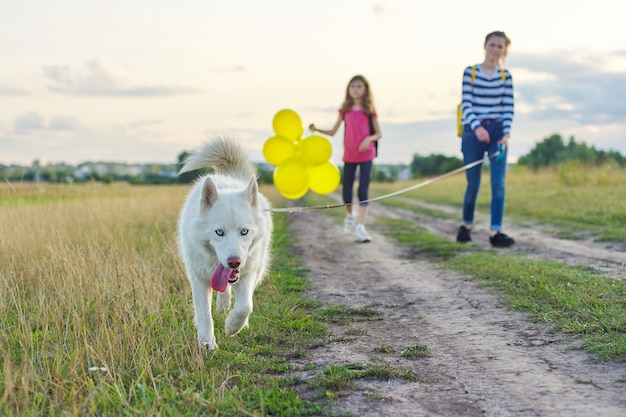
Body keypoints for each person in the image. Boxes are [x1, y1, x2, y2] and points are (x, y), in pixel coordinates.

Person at [457, 30, 515, 248]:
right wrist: (477, 127)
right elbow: (467, 104)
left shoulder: (505, 76)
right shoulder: (470, 72)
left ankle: (495, 232)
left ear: (504, 50)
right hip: (473, 132)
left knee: (498, 184)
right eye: (492, 45)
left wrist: (506, 134)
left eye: (500, 46)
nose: (495, 49)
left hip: (497, 133)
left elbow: (508, 107)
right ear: (485, 46)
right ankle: (466, 225)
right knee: (473, 184)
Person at [309, 74, 382, 243]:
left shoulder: (369, 110)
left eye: (359, 86)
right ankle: (351, 215)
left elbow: (378, 133)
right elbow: (333, 131)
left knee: (363, 191)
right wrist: (317, 129)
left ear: (365, 90)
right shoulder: (345, 110)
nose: (355, 89)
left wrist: (368, 139)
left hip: (366, 154)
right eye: (353, 86)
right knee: (346, 194)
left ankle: (361, 227)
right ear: (348, 90)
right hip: (349, 155)